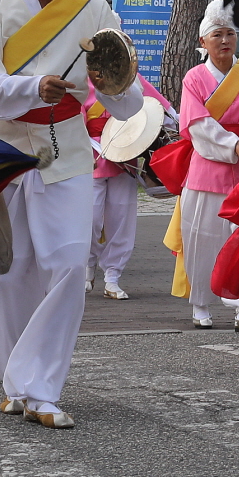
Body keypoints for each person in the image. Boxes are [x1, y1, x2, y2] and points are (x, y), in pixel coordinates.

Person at [0, 0, 145, 428]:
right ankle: (20, 384)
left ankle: (41, 385)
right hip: (5, 149)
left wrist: (116, 86)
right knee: (9, 271)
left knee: (66, 263)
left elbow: (124, 99)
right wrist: (30, 87)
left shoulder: (96, 10)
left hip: (68, 148)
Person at [176, 1, 239, 333]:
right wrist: (234, 146)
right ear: (203, 42)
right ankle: (201, 303)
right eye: (217, 34)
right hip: (207, 167)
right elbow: (198, 125)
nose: (225, 40)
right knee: (202, 237)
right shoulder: (194, 78)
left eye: (230, 33)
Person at [85, 66, 160, 301]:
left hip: (125, 156)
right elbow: (71, 121)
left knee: (121, 217)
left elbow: (158, 105)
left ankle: (113, 276)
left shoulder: (131, 78)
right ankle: (86, 268)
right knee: (90, 219)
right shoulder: (79, 78)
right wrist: (98, 147)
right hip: (91, 157)